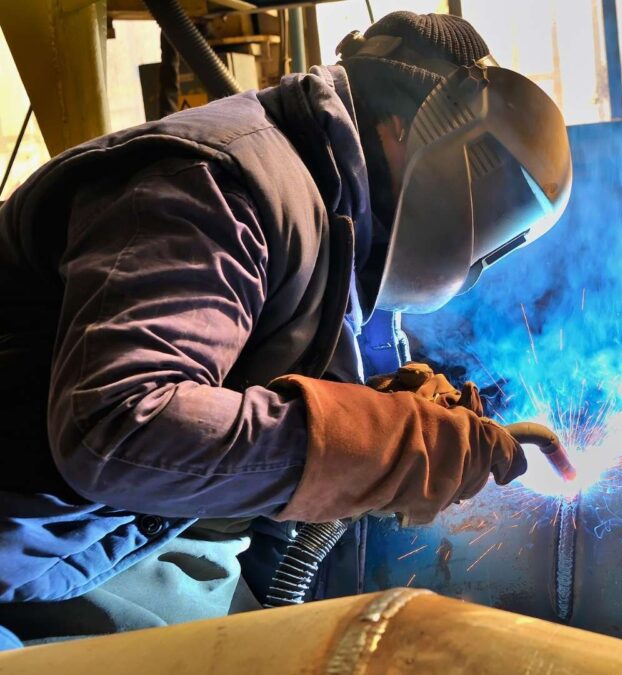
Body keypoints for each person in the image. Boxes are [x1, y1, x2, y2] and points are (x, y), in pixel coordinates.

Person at [0, 11, 571, 645]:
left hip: (75, 547)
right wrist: (377, 444)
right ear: (408, 127)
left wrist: (371, 414)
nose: (479, 248)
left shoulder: (335, 220)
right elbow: (115, 426)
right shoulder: (217, 183)